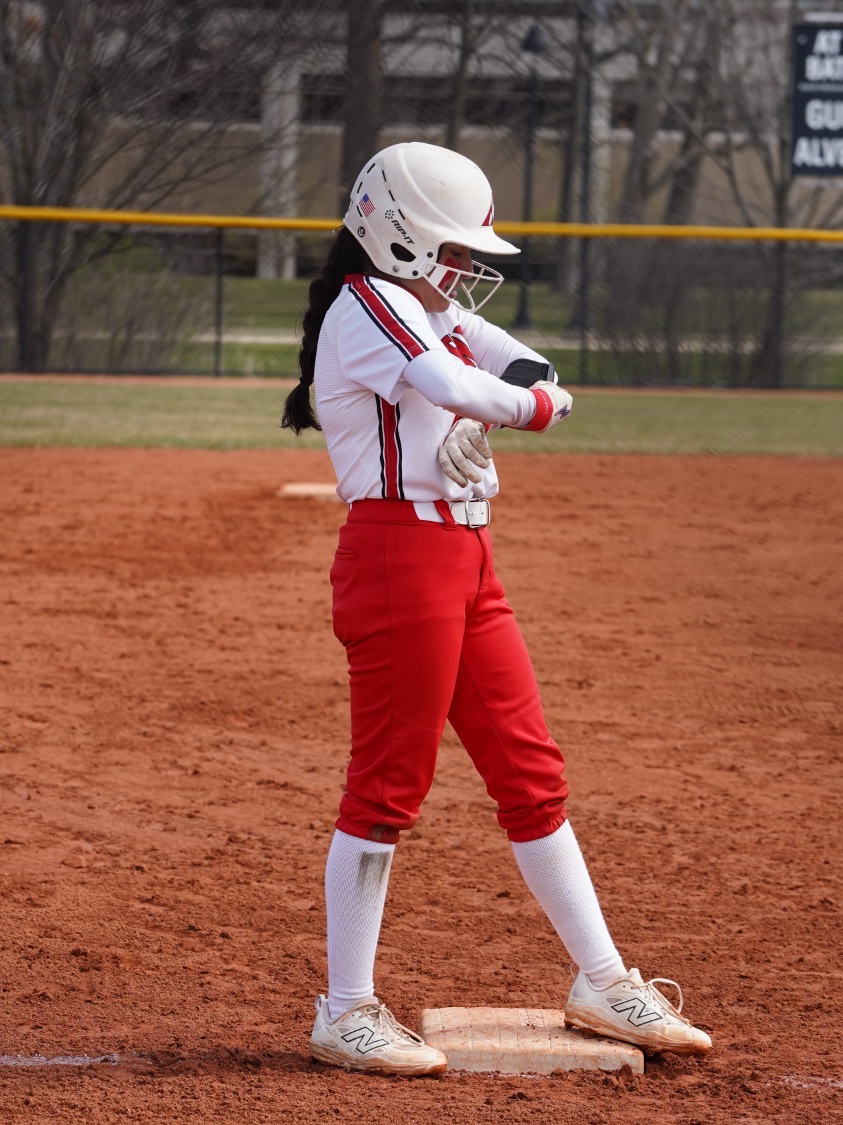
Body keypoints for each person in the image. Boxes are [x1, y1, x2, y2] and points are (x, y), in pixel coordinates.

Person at [280, 142, 712, 1076]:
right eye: (452, 249)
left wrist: (523, 388)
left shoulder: (422, 306)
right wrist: (530, 409)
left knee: (530, 771)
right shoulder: (370, 307)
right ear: (395, 237)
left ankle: (601, 979)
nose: (467, 268)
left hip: (464, 556)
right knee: (388, 786)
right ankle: (345, 1008)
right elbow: (453, 386)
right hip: (401, 555)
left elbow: (509, 357)